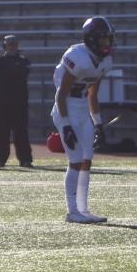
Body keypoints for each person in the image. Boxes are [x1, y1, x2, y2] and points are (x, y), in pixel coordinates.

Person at [53, 17, 115, 223]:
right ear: (91, 39)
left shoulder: (105, 61)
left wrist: (98, 122)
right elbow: (61, 95)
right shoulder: (76, 56)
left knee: (87, 160)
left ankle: (83, 208)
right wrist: (66, 125)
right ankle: (72, 211)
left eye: (109, 40)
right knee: (76, 160)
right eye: (103, 40)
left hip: (82, 110)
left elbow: (92, 95)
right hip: (66, 109)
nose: (107, 44)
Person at [0, 35, 33, 168]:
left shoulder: (24, 60)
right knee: (1, 132)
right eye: (9, 44)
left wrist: (10, 73)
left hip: (19, 102)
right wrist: (13, 72)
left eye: (14, 44)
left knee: (21, 132)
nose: (12, 46)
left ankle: (25, 159)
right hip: (1, 102)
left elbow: (22, 73)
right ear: (5, 46)